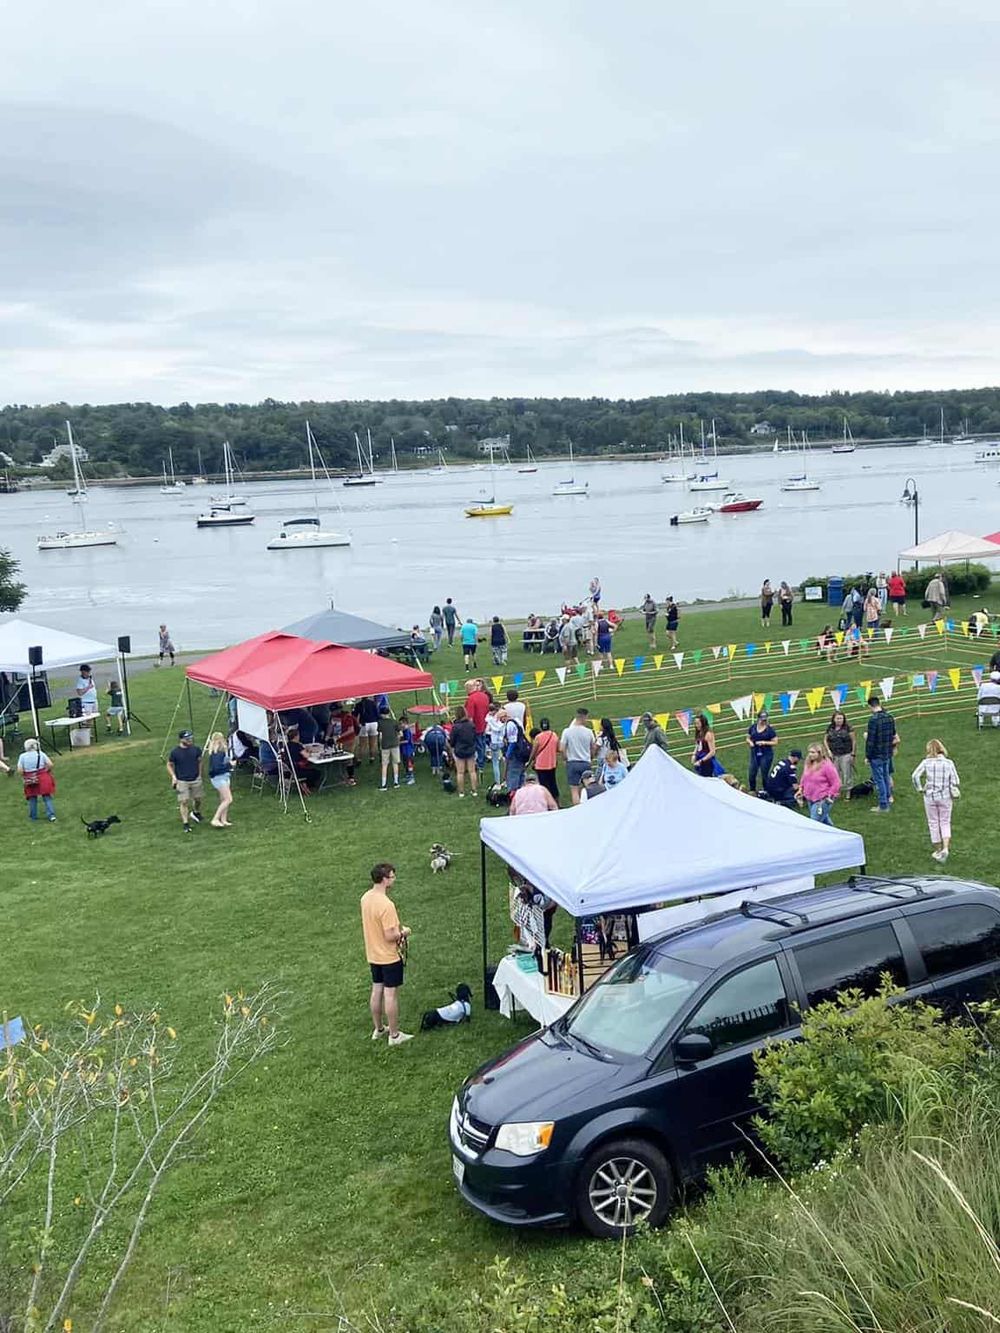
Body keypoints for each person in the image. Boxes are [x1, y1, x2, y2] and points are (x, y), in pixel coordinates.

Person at [360, 862, 412, 1046]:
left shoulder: (365, 898)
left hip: (373, 953)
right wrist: (404, 932)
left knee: (377, 990)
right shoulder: (386, 905)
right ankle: (395, 1035)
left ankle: (379, 1029)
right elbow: (390, 935)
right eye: (392, 876)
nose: (394, 879)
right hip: (389, 957)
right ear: (384, 879)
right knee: (390, 994)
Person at [912, 739, 960, 863]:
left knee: (933, 823)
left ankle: (938, 851)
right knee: (945, 822)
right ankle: (945, 848)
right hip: (945, 797)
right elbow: (956, 781)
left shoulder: (926, 762)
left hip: (930, 797)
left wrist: (920, 788)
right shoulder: (949, 763)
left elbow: (915, 776)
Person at [865, 694, 899, 814]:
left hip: (876, 754)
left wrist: (868, 756)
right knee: (885, 776)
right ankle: (888, 797)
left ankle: (883, 805)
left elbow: (871, 741)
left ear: (870, 706)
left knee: (879, 779)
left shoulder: (873, 720)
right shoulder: (890, 717)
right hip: (887, 752)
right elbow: (893, 734)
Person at [166, 729, 204, 832]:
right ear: (181, 739)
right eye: (187, 739)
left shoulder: (196, 749)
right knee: (184, 801)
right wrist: (174, 777)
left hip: (195, 778)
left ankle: (196, 812)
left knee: (198, 799)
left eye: (191, 738)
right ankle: (185, 823)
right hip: (182, 781)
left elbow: (200, 761)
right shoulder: (175, 752)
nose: (190, 740)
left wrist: (200, 774)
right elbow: (169, 764)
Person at [560, 707, 597, 805]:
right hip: (585, 762)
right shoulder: (588, 732)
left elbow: (562, 748)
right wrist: (591, 757)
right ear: (584, 717)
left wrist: (565, 758)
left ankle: (577, 809)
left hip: (572, 762)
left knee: (574, 790)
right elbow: (593, 747)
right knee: (588, 788)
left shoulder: (567, 731)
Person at [799, 744, 841, 824]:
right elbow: (804, 776)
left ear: (820, 753)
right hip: (810, 797)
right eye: (809, 752)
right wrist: (801, 788)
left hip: (822, 799)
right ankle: (834, 834)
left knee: (814, 823)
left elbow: (836, 782)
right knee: (824, 821)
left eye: (813, 752)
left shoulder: (827, 766)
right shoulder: (808, 763)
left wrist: (829, 795)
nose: (810, 754)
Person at [17, 738, 56, 822]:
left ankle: (33, 816)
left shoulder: (22, 756)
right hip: (42, 776)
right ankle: (51, 815)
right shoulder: (41, 754)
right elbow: (50, 764)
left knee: (32, 797)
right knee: (46, 796)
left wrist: (24, 775)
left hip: (29, 778)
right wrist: (46, 770)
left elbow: (20, 770)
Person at [447, 706, 478, 797]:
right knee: (472, 771)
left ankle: (461, 792)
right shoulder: (471, 725)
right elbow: (474, 737)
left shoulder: (455, 727)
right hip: (470, 749)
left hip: (459, 750)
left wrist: (452, 746)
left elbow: (452, 741)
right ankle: (474, 790)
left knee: (460, 772)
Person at [206, 731, 235, 827]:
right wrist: (230, 764)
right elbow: (217, 768)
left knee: (223, 799)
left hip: (224, 776)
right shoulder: (218, 753)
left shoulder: (218, 752)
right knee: (228, 799)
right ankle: (215, 818)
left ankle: (223, 819)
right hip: (219, 777)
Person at [529, 717, 560, 802]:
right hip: (552, 763)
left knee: (543, 785)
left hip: (540, 765)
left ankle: (546, 802)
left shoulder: (538, 737)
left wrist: (530, 761)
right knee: (553, 783)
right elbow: (558, 748)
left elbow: (534, 751)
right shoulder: (554, 735)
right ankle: (556, 801)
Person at [746, 710, 778, 792]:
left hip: (766, 754)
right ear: (758, 719)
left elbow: (775, 742)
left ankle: (766, 790)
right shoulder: (753, 727)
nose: (764, 721)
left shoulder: (770, 730)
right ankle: (752, 790)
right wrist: (750, 742)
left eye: (765, 720)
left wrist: (764, 742)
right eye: (762, 720)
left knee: (764, 774)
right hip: (754, 753)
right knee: (752, 773)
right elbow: (747, 737)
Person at [824, 710, 856, 789]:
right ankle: (836, 790)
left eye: (841, 718)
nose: (839, 720)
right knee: (835, 773)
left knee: (847, 773)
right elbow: (825, 739)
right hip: (834, 754)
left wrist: (853, 753)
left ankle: (849, 790)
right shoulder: (830, 728)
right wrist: (828, 751)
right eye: (837, 718)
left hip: (846, 753)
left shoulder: (848, 728)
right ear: (834, 719)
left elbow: (854, 741)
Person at [500, 709, 529, 792]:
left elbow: (512, 742)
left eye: (501, 719)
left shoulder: (510, 725)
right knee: (521, 774)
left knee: (513, 775)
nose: (501, 721)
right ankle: (524, 793)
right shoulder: (517, 721)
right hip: (522, 752)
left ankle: (513, 796)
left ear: (504, 717)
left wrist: (507, 755)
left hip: (515, 754)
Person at [464, 678, 490, 771]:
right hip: (484, 723)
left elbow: (470, 716)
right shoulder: (484, 696)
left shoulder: (471, 699)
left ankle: (480, 763)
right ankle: (482, 759)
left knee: (478, 745)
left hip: (476, 726)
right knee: (482, 743)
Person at [329, 703, 358, 785]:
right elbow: (330, 726)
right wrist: (327, 736)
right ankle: (342, 775)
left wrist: (339, 736)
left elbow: (351, 730)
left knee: (348, 758)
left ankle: (351, 777)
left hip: (348, 740)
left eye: (333, 711)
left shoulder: (347, 716)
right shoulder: (333, 717)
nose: (332, 713)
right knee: (339, 757)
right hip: (338, 740)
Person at [377, 707, 401, 791]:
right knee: (395, 763)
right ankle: (396, 782)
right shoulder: (394, 722)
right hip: (395, 744)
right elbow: (400, 733)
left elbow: (380, 735)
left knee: (384, 764)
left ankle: (384, 784)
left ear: (381, 714)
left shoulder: (380, 723)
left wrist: (380, 745)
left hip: (385, 745)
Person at [356, 696, 380, 764]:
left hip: (364, 724)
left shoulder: (359, 705)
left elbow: (355, 715)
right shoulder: (373, 703)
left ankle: (359, 759)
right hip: (373, 723)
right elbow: (377, 715)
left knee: (362, 744)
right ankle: (372, 757)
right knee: (372, 743)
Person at [485, 703, 505, 783]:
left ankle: (498, 782)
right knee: (505, 761)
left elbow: (487, 731)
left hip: (494, 741)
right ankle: (505, 780)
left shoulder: (489, 719)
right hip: (503, 741)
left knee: (495, 763)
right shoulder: (503, 717)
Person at [399, 715, 416, 785]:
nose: (400, 725)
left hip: (408, 750)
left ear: (405, 723)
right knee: (405, 763)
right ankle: (408, 776)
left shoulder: (407, 731)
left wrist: (399, 742)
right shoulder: (403, 730)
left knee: (409, 764)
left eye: (401, 723)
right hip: (404, 750)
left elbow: (407, 740)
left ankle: (412, 778)